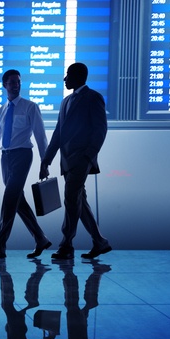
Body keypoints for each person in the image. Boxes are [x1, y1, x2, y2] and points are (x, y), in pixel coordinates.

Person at [39, 62, 111, 260]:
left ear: (79, 76)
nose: (65, 79)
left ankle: (66, 245)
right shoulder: (66, 102)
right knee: (79, 201)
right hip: (67, 160)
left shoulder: (93, 97)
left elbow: (100, 129)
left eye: (68, 75)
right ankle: (100, 242)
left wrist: (88, 156)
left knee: (71, 199)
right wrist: (47, 159)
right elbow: (58, 132)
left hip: (81, 159)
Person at [0, 69, 51, 259]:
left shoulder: (30, 107)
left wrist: (45, 162)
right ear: (5, 85)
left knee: (10, 199)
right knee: (18, 201)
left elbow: (40, 136)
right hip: (6, 158)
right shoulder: (1, 111)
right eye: (12, 82)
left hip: (22, 155)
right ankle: (41, 239)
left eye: (18, 82)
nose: (16, 85)